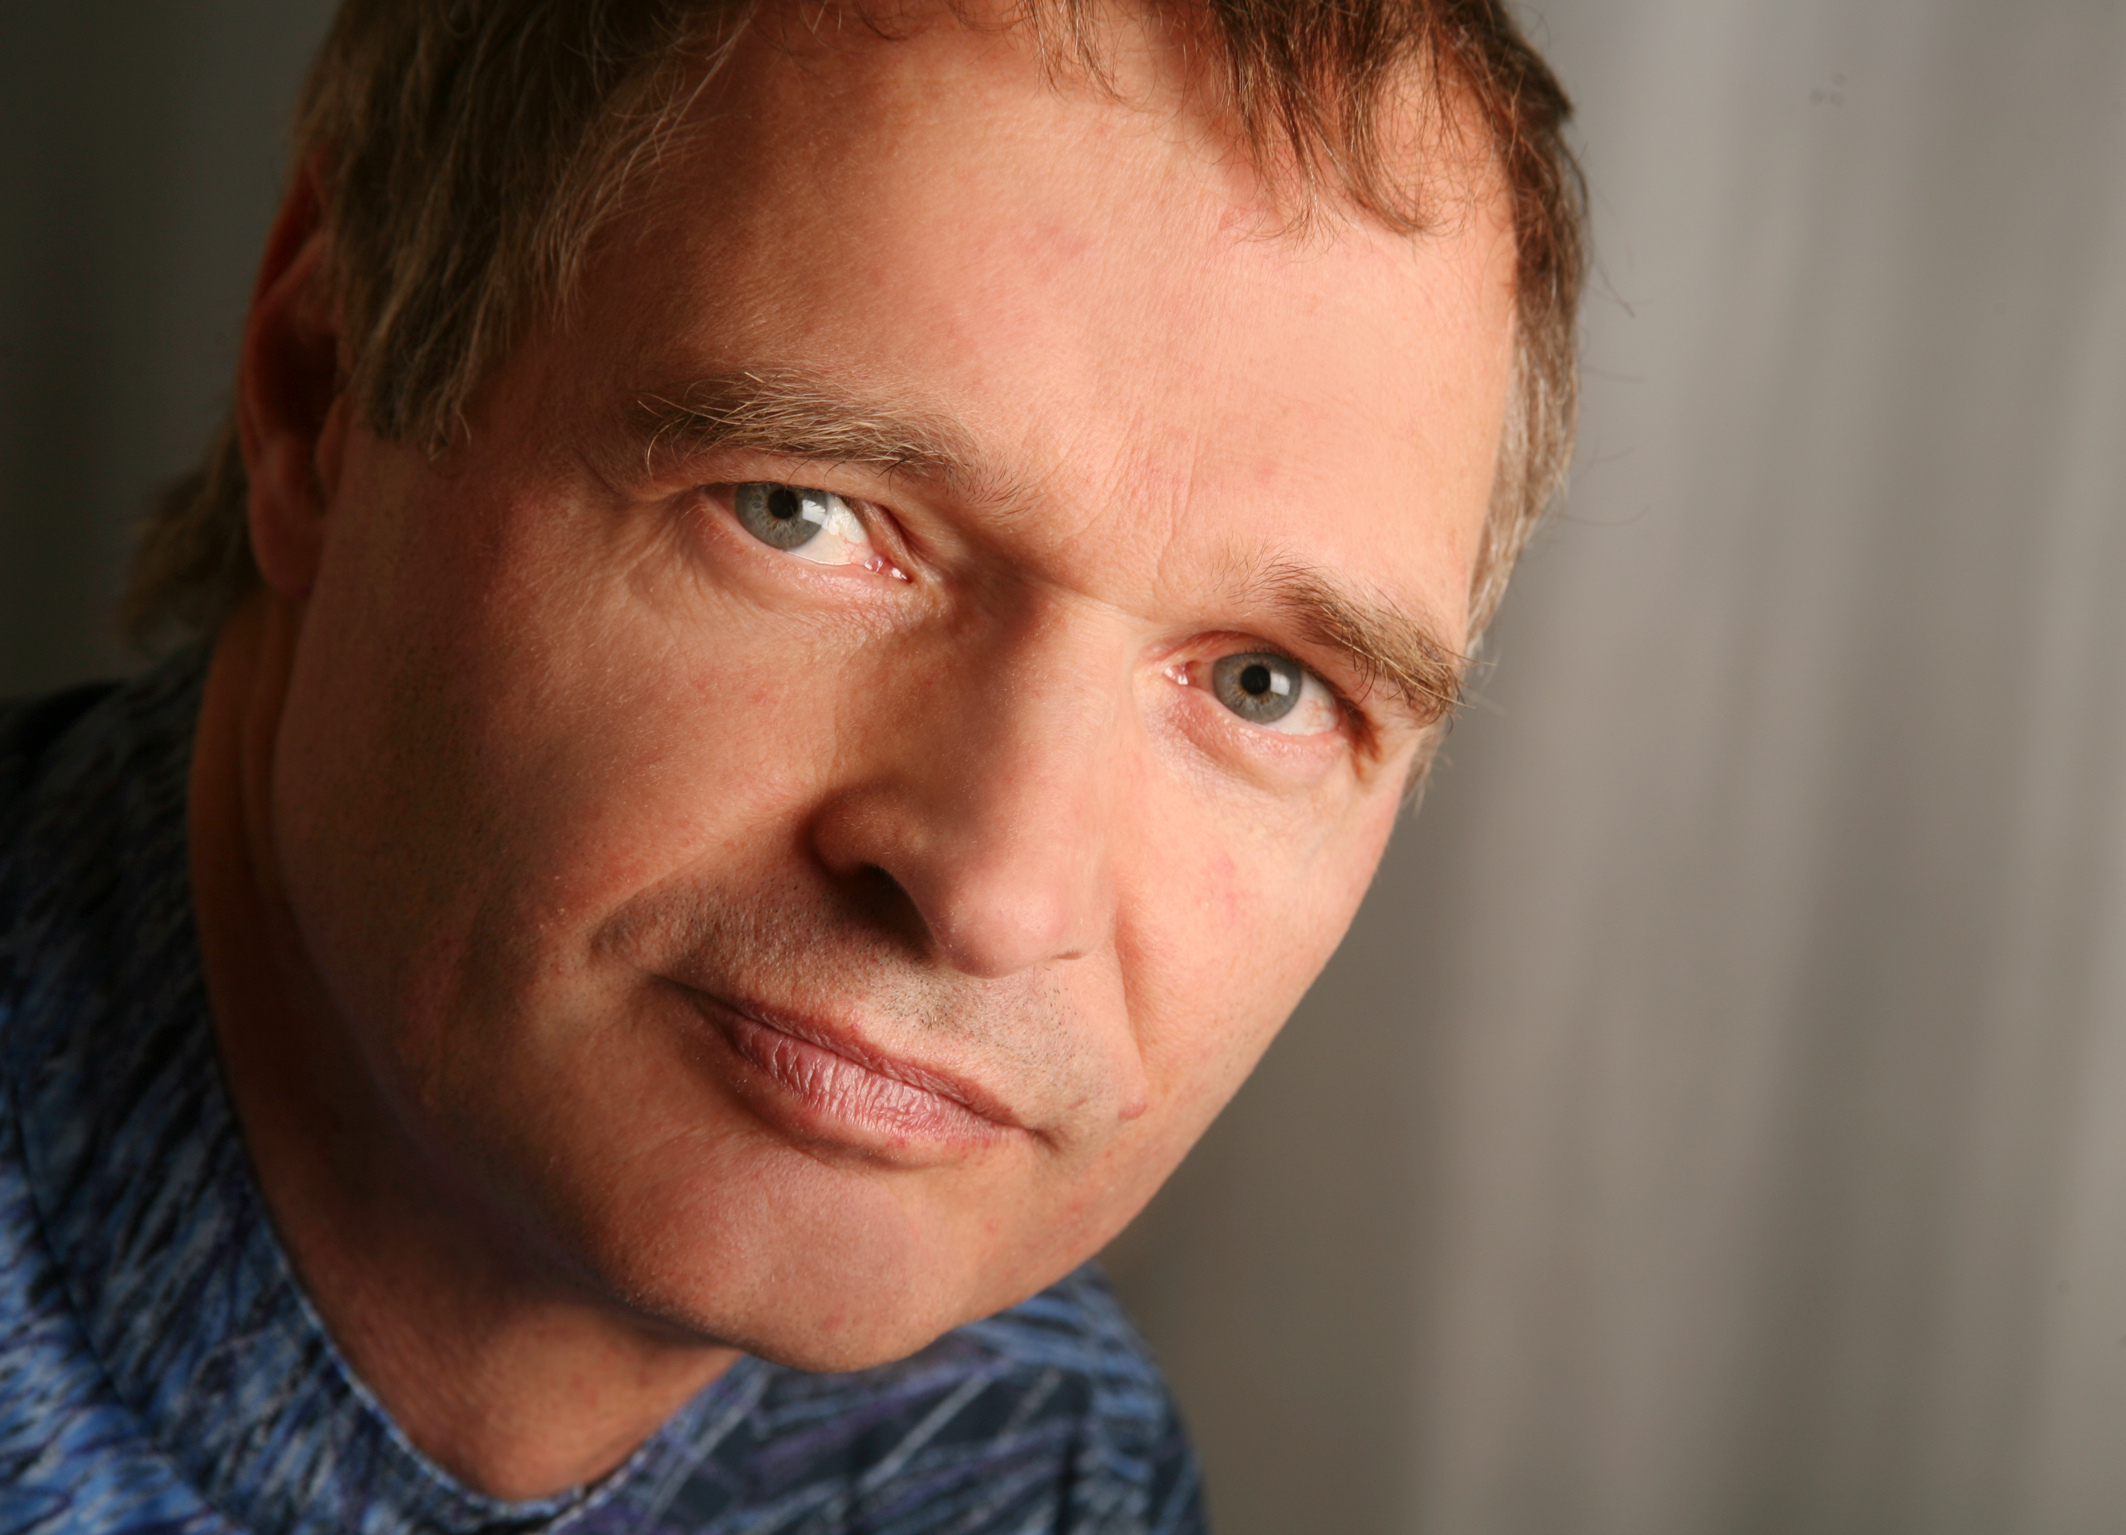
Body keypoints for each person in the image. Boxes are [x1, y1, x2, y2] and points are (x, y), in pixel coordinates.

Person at [0, 0, 1581, 1527]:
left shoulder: (1043, 1468)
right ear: (323, 385)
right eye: (800, 514)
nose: (996, 896)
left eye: (1261, 685)